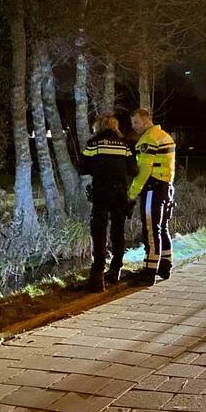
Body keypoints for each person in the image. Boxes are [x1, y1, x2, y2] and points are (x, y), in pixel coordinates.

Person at [80, 115, 136, 292]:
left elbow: (82, 167)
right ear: (115, 127)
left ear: (100, 126)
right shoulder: (124, 145)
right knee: (118, 230)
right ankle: (115, 269)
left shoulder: (94, 144)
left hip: (101, 191)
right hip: (119, 192)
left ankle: (97, 277)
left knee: (99, 230)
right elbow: (133, 169)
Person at [128, 108, 177, 285]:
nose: (134, 127)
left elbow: (144, 170)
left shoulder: (148, 140)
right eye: (132, 123)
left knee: (150, 230)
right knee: (162, 227)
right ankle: (165, 266)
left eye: (136, 123)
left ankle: (149, 272)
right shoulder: (165, 136)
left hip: (152, 188)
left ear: (146, 121)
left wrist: (131, 194)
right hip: (166, 187)